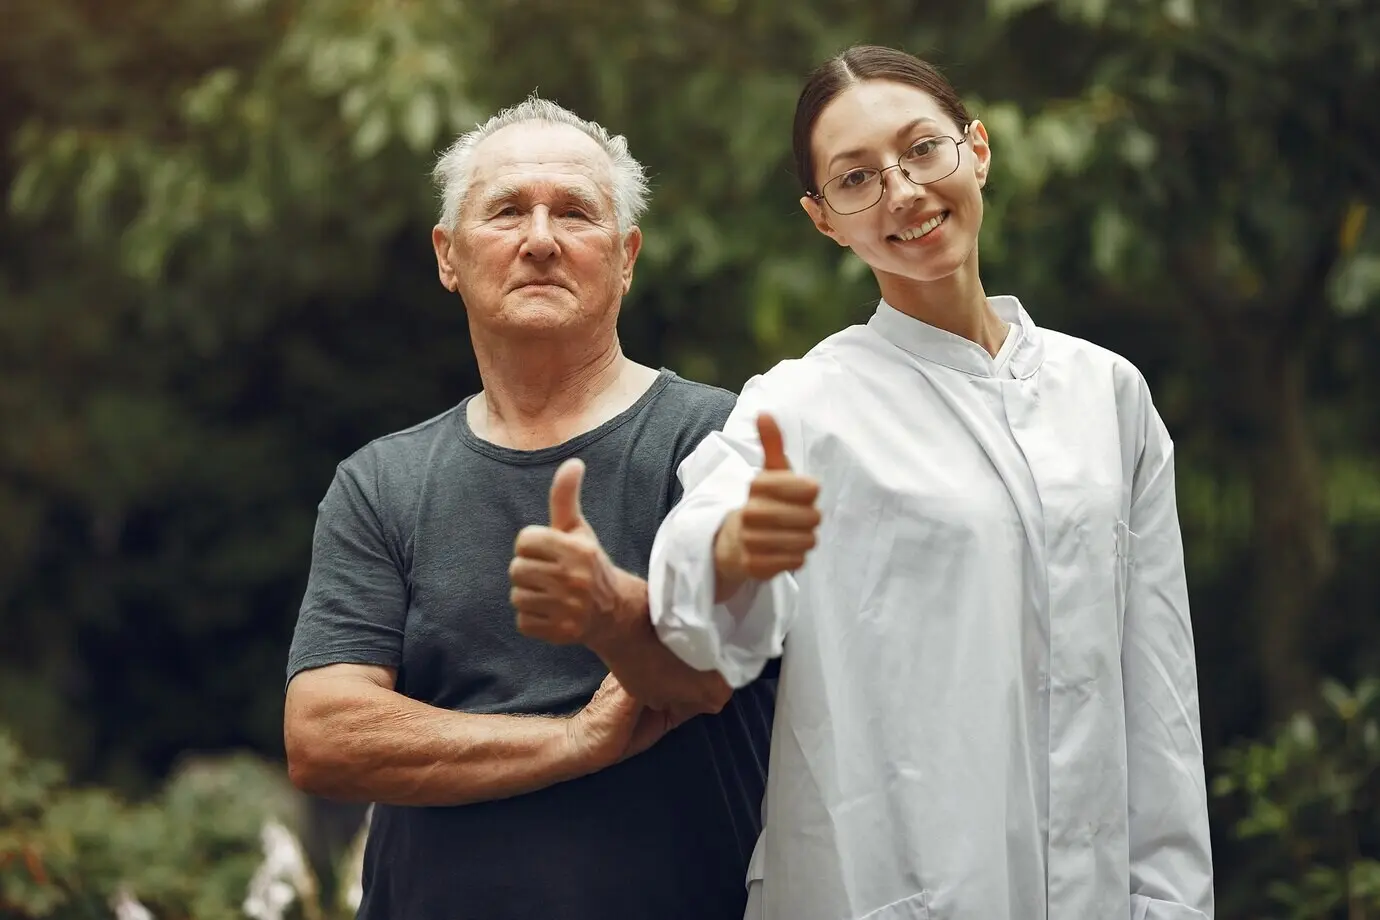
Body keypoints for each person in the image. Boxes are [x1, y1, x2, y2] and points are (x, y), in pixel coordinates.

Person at [520, 46, 1215, 920]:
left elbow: (1159, 695)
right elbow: (703, 596)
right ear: (824, 219)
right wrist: (735, 549)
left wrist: (1173, 902)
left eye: (923, 149)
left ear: (978, 151)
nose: (904, 191)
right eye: (856, 179)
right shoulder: (805, 404)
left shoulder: (1107, 395)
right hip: (886, 888)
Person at [282, 95, 775, 920]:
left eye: (575, 213)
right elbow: (325, 733)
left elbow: (708, 675)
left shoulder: (723, 442)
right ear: (448, 256)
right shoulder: (382, 482)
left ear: (626, 257)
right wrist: (572, 740)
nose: (540, 239)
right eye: (507, 210)